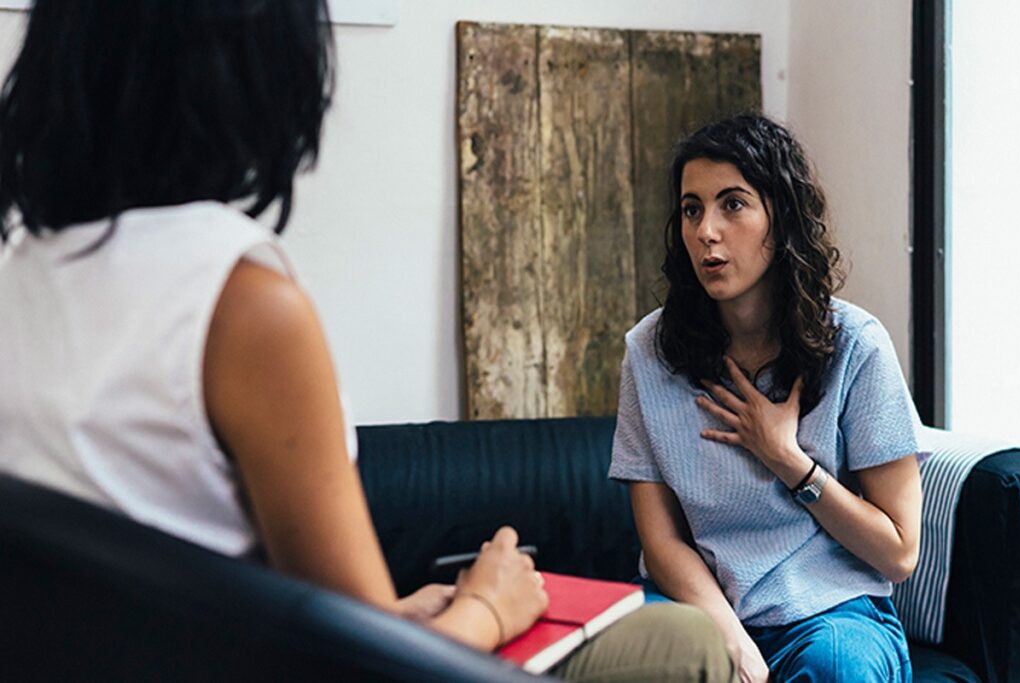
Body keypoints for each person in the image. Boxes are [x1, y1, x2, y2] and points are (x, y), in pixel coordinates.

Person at [0, 2, 736, 680]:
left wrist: (394, 614)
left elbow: (276, 592)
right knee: (685, 642)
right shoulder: (241, 305)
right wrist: (486, 605)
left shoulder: (22, 266)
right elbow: (360, 667)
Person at [609, 114, 923, 683]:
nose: (707, 230)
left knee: (838, 667)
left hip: (829, 612)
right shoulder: (648, 353)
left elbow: (898, 553)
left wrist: (787, 459)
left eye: (733, 204)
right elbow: (661, 543)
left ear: (782, 219)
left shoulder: (858, 346)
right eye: (691, 208)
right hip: (695, 608)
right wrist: (730, 640)